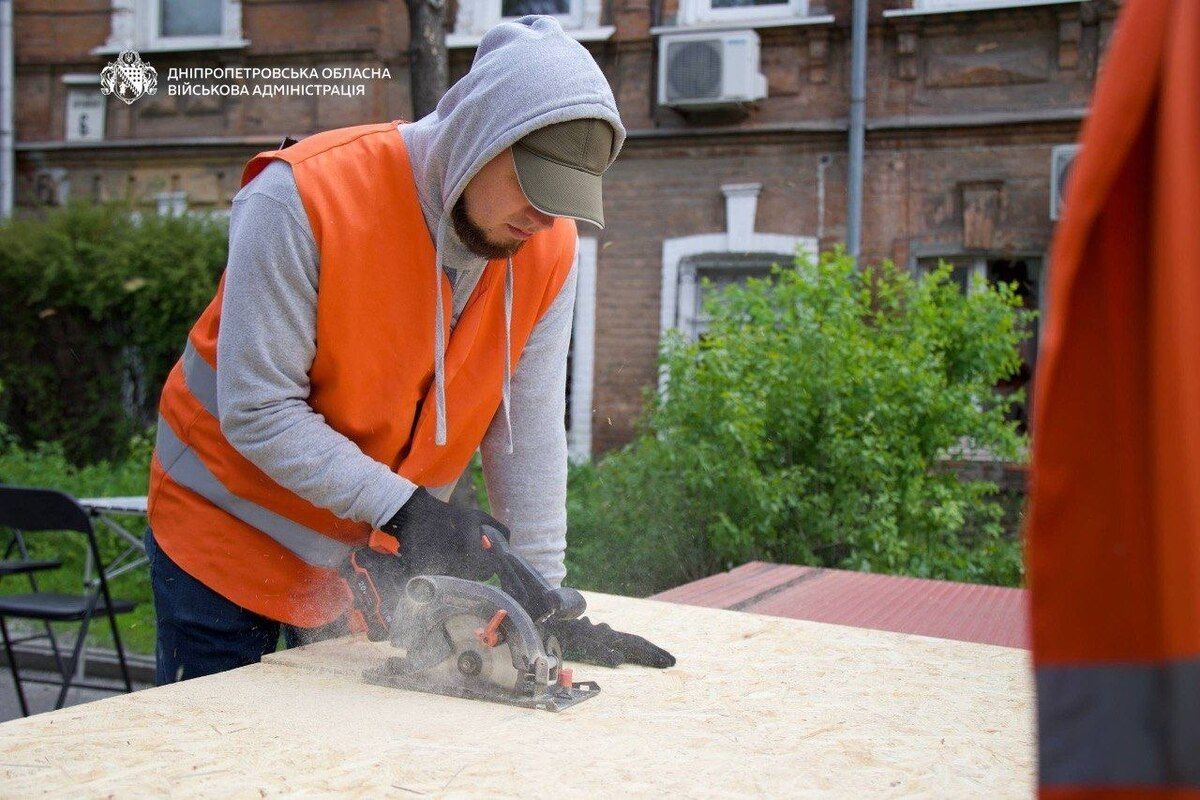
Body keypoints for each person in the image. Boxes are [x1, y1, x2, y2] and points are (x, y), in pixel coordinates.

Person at [143, 15, 674, 684]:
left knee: (332, 773)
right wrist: (405, 509)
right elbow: (258, 410)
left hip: (351, 567)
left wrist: (540, 606)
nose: (544, 218)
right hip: (218, 537)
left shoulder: (548, 249)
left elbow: (526, 434)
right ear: (479, 136)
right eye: (536, 188)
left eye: (564, 200)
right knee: (210, 772)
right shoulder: (300, 198)